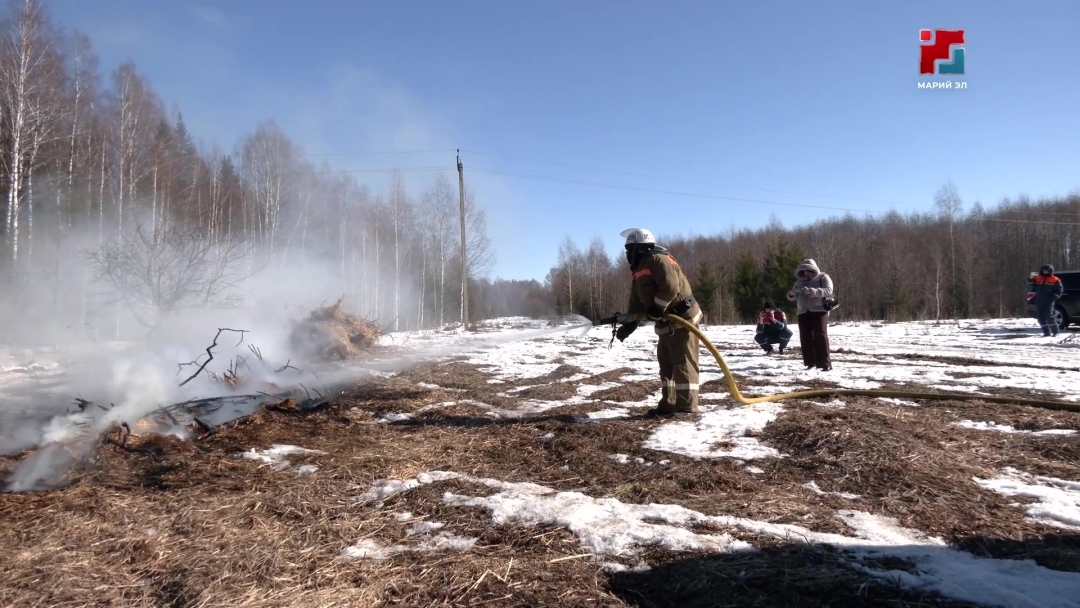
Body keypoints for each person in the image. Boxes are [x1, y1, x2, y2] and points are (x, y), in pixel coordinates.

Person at [613, 227, 703, 417]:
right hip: (665, 323)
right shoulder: (638, 270)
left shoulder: (657, 259)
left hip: (682, 319)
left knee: (683, 363)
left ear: (640, 247)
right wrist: (630, 325)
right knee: (666, 364)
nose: (627, 254)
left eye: (629, 249)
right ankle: (668, 403)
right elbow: (636, 302)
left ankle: (687, 408)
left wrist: (656, 308)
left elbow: (670, 288)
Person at [787, 258, 834, 371]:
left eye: (808, 270)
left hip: (819, 310)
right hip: (803, 311)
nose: (806, 273)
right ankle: (809, 362)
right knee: (805, 337)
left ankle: (824, 364)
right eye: (804, 271)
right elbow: (791, 296)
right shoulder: (799, 282)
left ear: (813, 270)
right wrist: (792, 294)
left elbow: (829, 290)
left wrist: (813, 291)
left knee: (820, 335)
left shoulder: (823, 277)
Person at [1032, 263, 1064, 336]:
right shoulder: (1038, 278)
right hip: (1039, 300)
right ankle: (1046, 332)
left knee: (1049, 316)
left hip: (1049, 301)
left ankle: (1055, 332)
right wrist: (1031, 278)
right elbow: (1031, 284)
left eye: (1046, 271)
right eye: (1043, 270)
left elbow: (1059, 290)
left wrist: (1054, 297)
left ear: (1050, 271)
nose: (1044, 272)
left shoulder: (1055, 279)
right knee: (1040, 317)